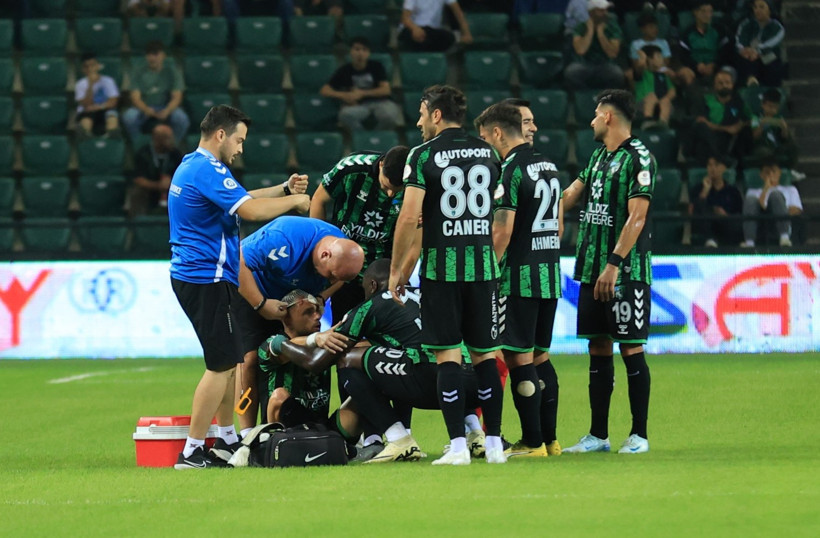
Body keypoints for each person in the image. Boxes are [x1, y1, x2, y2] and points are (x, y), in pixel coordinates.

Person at [168, 105, 311, 469]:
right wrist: (294, 201)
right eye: (239, 140)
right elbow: (250, 211)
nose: (241, 148)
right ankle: (192, 451)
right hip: (207, 279)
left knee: (230, 362)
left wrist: (280, 188)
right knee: (219, 365)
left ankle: (226, 439)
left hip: (205, 277)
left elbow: (242, 198)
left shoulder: (195, 166)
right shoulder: (206, 168)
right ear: (220, 135)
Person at [263, 258, 483, 463]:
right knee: (408, 356)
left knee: (349, 358)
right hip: (474, 385)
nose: (317, 317)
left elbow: (316, 361)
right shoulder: (429, 297)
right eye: (308, 313)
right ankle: (475, 433)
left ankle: (399, 439)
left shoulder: (369, 307)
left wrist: (317, 339)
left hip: (429, 384)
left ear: (373, 286)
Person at [389, 84, 506, 465]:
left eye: (423, 112)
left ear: (436, 114)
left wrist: (396, 270)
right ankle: (495, 445)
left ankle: (457, 445)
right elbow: (500, 211)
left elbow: (409, 217)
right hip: (483, 267)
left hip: (442, 270)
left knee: (448, 358)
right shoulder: (488, 152)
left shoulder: (423, 155)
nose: (419, 120)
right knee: (487, 356)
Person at [561, 89, 654, 455]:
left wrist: (613, 265)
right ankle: (598, 435)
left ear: (610, 117)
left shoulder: (640, 158)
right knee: (598, 345)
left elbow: (637, 216)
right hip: (590, 267)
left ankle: (639, 434)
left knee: (631, 346)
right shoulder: (599, 155)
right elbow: (572, 192)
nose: (592, 121)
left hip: (625, 271)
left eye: (596, 114)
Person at [476, 103, 563, 458]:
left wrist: (486, 272)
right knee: (541, 357)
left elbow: (502, 231)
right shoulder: (550, 166)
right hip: (550, 273)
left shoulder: (509, 170)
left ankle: (531, 441)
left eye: (485, 138)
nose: (486, 145)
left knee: (519, 360)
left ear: (498, 132)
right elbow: (557, 225)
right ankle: (551, 440)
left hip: (519, 278)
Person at [234, 216, 365, 437]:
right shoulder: (284, 240)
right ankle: (247, 435)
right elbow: (237, 260)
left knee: (302, 353)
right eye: (330, 275)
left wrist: (322, 296)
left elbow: (342, 278)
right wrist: (261, 304)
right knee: (250, 360)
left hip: (298, 298)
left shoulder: (343, 252)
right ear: (325, 255)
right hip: (254, 291)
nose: (333, 280)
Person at [310, 145, 409, 323]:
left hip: (383, 267)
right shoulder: (350, 168)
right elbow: (318, 199)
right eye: (387, 186)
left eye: (397, 190)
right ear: (381, 165)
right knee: (342, 326)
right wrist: (320, 246)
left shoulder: (416, 180)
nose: (390, 193)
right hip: (344, 263)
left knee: (385, 330)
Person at [256, 289, 361, 446]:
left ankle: (373, 442)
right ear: (287, 319)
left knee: (365, 392)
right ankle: (275, 444)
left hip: (324, 429)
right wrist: (315, 339)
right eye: (308, 312)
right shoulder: (271, 344)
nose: (317, 316)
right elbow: (283, 346)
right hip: (290, 428)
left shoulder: (326, 342)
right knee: (279, 396)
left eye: (318, 311)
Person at [319, 37, 402, 132]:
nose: (360, 53)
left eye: (364, 50)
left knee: (390, 115)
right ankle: (362, 137)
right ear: (350, 52)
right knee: (344, 115)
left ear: (368, 53)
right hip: (359, 105)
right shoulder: (344, 70)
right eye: (357, 49)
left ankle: (378, 135)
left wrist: (361, 93)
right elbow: (324, 90)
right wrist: (344, 95)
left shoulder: (376, 66)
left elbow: (385, 90)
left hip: (381, 102)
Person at [123, 41, 190, 144]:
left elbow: (177, 97)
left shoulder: (172, 71)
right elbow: (135, 97)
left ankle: (172, 145)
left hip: (165, 107)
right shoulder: (138, 71)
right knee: (129, 117)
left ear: (163, 55)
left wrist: (167, 110)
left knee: (181, 119)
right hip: (144, 107)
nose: (152, 58)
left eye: (155, 54)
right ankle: (139, 145)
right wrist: (146, 109)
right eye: (149, 55)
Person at [688, 67, 750, 165]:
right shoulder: (706, 100)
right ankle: (719, 158)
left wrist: (740, 125)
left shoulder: (739, 102)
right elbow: (701, 121)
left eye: (727, 82)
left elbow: (753, 119)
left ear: (732, 85)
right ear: (715, 85)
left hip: (729, 140)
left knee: (746, 131)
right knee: (701, 128)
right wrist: (726, 128)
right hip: (709, 139)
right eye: (720, 83)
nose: (724, 85)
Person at [564, 0, 625, 90]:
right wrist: (590, 31)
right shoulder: (581, 27)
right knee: (571, 72)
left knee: (617, 73)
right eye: (600, 10)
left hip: (605, 65)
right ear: (591, 12)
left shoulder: (612, 27)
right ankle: (584, 97)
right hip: (584, 64)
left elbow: (612, 53)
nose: (605, 13)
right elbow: (580, 50)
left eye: (605, 10)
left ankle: (608, 98)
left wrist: (601, 34)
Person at [741, 160, 802, 247]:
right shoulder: (752, 192)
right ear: (761, 175)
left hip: (783, 224)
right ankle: (749, 242)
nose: (770, 175)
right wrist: (766, 189)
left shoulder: (791, 189)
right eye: (767, 172)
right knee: (751, 200)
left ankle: (784, 237)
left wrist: (780, 210)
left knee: (775, 195)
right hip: (761, 225)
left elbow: (795, 210)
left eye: (773, 171)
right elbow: (758, 209)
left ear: (779, 173)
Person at [688, 154, 743, 247]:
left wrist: (725, 215)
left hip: (727, 226)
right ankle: (710, 240)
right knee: (703, 209)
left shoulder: (733, 191)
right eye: (710, 165)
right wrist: (705, 191)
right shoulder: (698, 189)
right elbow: (693, 212)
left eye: (716, 165)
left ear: (723, 168)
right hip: (707, 227)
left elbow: (739, 214)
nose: (712, 168)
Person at [129, 123, 183, 216]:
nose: (172, 141)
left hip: (172, 189)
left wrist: (171, 184)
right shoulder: (143, 154)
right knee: (137, 193)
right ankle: (138, 226)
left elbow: (184, 176)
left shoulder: (176, 154)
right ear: (157, 139)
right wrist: (158, 185)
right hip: (149, 189)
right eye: (168, 138)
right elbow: (138, 179)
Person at [678, 1, 730, 87]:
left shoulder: (720, 30)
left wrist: (714, 64)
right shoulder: (687, 33)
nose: (707, 15)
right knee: (684, 74)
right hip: (695, 67)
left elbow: (726, 51)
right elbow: (683, 55)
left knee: (728, 73)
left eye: (710, 11)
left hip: (716, 67)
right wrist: (696, 65)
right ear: (695, 12)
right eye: (704, 11)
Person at [735, 0, 785, 87]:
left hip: (767, 56)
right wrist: (744, 50)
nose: (757, 10)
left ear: (769, 9)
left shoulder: (777, 27)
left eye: (761, 7)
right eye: (755, 7)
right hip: (748, 56)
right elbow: (739, 40)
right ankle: (750, 81)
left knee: (772, 62)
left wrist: (757, 51)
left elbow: (772, 42)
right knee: (743, 60)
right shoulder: (746, 24)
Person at [74, 53, 120, 139]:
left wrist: (99, 107)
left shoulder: (108, 81)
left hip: (104, 109)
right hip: (87, 111)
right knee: (85, 121)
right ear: (83, 69)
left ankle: (110, 138)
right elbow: (86, 104)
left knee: (112, 117)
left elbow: (113, 101)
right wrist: (90, 85)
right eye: (86, 66)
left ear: (98, 66)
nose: (90, 69)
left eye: (92, 65)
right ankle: (87, 138)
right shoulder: (80, 84)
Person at [748, 88, 797, 168]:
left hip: (776, 146)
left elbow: (784, 137)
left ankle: (790, 170)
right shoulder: (755, 118)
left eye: (775, 107)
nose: (772, 110)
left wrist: (784, 128)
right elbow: (754, 136)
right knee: (765, 153)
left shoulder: (778, 118)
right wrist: (762, 125)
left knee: (793, 148)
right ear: (763, 105)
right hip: (761, 146)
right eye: (770, 106)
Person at [398, 0, 473, 52]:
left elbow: (458, 13)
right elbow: (405, 19)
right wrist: (415, 29)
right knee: (415, 38)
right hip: (412, 28)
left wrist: (466, 33)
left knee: (449, 38)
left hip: (432, 30)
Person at [634, 45, 675, 127]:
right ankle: (647, 121)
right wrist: (643, 58)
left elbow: (672, 91)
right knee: (651, 97)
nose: (662, 59)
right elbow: (640, 66)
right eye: (658, 56)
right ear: (650, 59)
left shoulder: (664, 75)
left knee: (666, 101)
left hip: (661, 106)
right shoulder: (643, 73)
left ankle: (663, 123)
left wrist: (666, 98)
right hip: (643, 105)